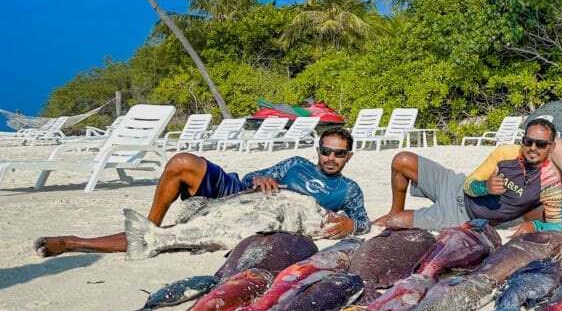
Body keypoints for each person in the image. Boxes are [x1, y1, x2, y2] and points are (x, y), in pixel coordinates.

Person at [35, 126, 369, 257]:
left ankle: (75, 242)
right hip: (239, 194)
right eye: (326, 150)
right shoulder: (296, 162)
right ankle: (149, 227)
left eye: (339, 153)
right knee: (182, 161)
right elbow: (256, 174)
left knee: (170, 235)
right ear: (318, 150)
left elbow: (364, 223)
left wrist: (351, 225)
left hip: (261, 224)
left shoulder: (348, 190)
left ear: (348, 156)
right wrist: (260, 180)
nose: (331, 158)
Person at [373, 119, 562, 235]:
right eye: (528, 141)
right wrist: (485, 187)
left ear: (552, 147)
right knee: (402, 160)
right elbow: (468, 185)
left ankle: (393, 216)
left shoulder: (550, 183)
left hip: (461, 216)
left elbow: (557, 226)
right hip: (453, 185)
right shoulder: (506, 152)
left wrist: (535, 225)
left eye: (540, 144)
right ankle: (393, 209)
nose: (532, 148)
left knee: (394, 222)